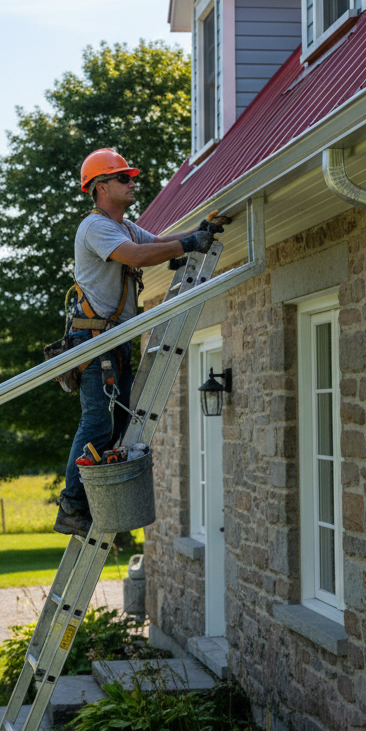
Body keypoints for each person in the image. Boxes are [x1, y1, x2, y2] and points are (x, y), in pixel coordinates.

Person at [54, 148, 218, 536]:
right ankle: (72, 506)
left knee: (122, 424)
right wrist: (188, 244)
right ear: (100, 187)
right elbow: (139, 257)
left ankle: (96, 500)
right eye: (123, 178)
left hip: (114, 339)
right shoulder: (96, 228)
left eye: (130, 177)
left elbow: (159, 242)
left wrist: (200, 233)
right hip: (93, 341)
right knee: (97, 422)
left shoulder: (124, 226)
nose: (132, 183)